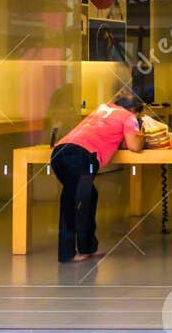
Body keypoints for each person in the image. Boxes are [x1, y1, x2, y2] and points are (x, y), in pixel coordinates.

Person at [50, 96, 144, 262]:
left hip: (60, 153)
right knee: (74, 202)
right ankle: (67, 254)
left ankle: (88, 247)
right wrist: (141, 136)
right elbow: (134, 146)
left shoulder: (102, 109)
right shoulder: (128, 117)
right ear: (133, 110)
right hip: (82, 157)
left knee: (88, 196)